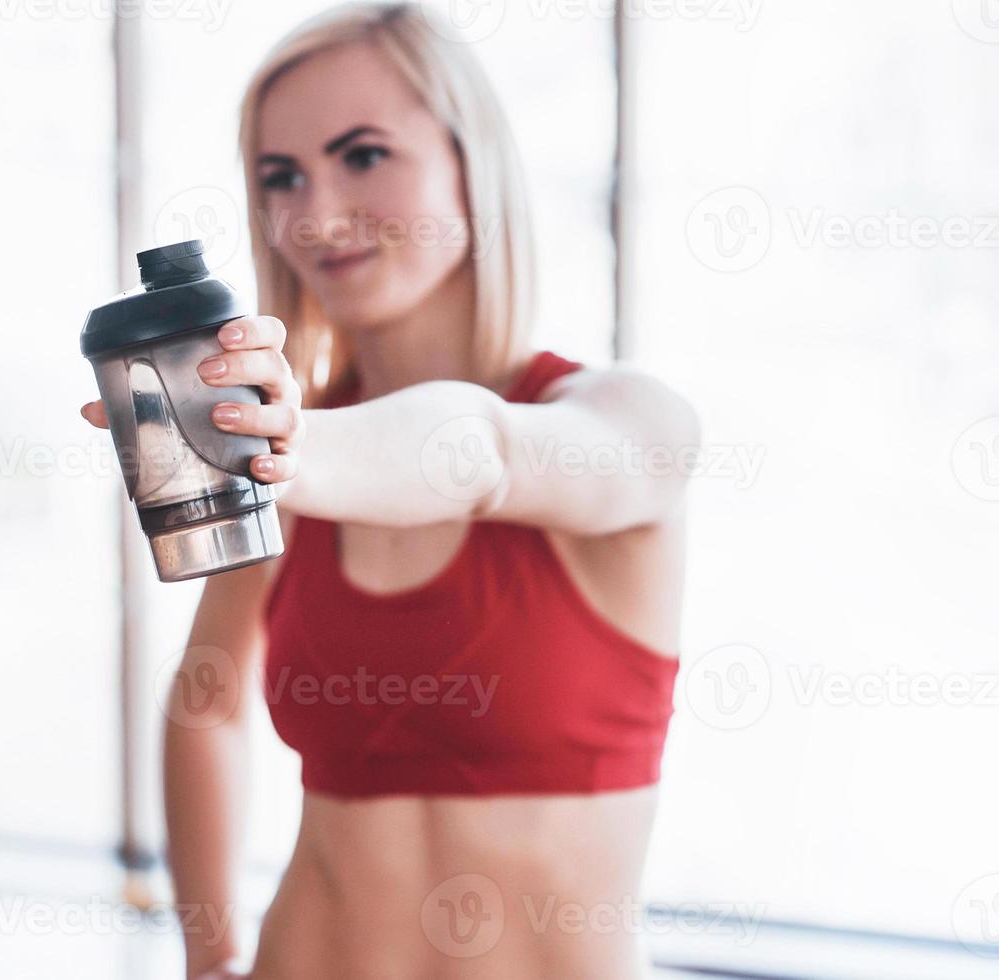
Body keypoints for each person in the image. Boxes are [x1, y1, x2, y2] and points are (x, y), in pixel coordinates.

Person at [80, 4, 700, 976]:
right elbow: (206, 697)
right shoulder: (291, 454)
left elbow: (481, 452)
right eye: (280, 176)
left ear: (470, 162)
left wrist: (290, 446)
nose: (317, 215)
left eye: (363, 155)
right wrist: (210, 955)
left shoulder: (630, 423)